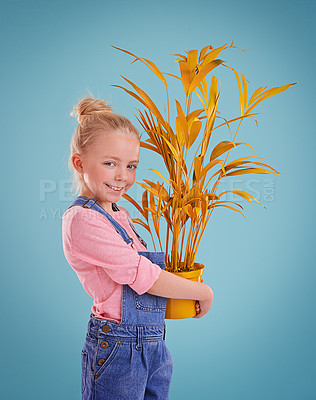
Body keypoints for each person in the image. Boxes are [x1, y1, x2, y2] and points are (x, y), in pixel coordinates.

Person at [62, 96, 213, 400]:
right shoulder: (82, 221)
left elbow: (141, 285)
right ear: (79, 163)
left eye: (131, 166)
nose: (123, 176)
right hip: (118, 346)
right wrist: (200, 291)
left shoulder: (119, 215)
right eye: (110, 163)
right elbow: (141, 274)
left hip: (153, 342)